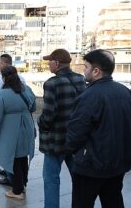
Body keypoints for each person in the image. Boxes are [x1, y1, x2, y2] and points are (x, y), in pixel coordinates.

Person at [65, 49, 131, 208]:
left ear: (96, 71)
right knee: (113, 200)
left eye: (86, 67)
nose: (83, 70)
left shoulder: (89, 96)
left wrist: (72, 152)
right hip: (117, 164)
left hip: (90, 166)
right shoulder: (125, 92)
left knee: (82, 203)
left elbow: (76, 133)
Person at [37, 49, 85, 208]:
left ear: (57, 63)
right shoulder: (80, 79)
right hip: (75, 139)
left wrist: (40, 123)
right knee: (78, 179)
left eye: (50, 61)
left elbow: (48, 114)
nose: (48, 64)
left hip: (55, 141)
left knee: (51, 179)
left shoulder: (52, 83)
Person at [0, 66, 36, 200]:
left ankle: (17, 191)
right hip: (27, 126)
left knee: (13, 158)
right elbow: (33, 107)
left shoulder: (3, 94)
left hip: (11, 128)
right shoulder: (27, 89)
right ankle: (23, 185)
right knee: (22, 158)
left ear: (4, 78)